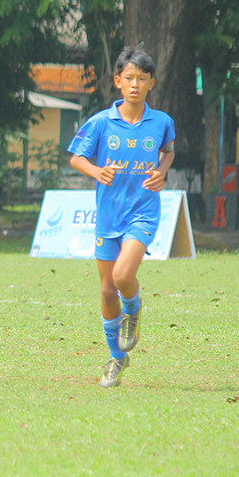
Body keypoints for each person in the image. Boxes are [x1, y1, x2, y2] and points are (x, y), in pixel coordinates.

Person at [67, 44, 175, 388]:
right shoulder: (100, 122)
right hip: (108, 216)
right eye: (129, 78)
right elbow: (75, 158)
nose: (135, 84)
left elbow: (168, 152)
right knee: (105, 290)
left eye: (142, 79)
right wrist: (97, 171)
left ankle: (134, 309)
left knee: (122, 275)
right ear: (117, 81)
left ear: (151, 84)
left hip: (142, 212)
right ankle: (116, 357)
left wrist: (161, 171)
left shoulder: (161, 122)